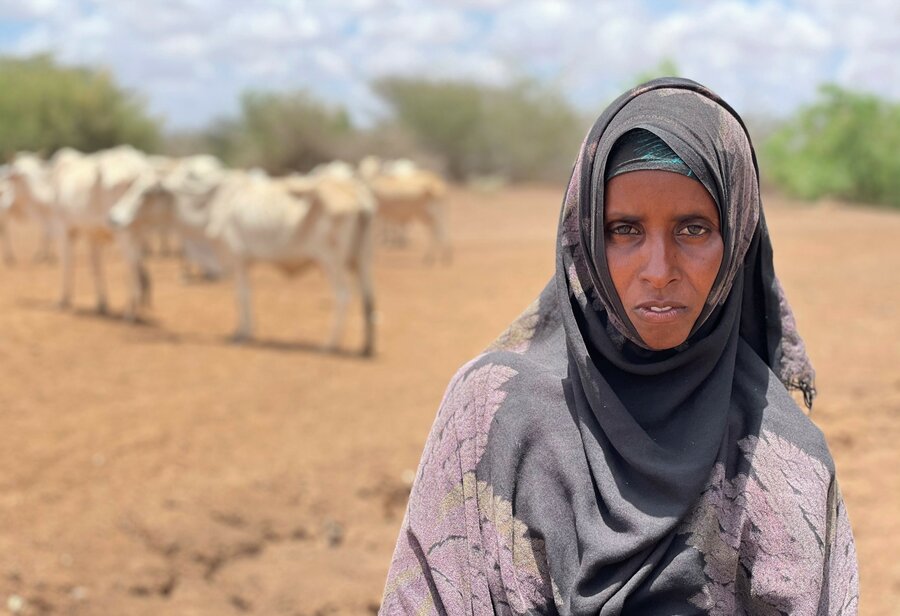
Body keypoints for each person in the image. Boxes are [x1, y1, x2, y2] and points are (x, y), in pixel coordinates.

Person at [379, 78, 858, 615]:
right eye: (624, 229)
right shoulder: (489, 414)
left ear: (738, 235)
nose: (658, 271)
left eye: (694, 229)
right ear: (584, 235)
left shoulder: (782, 456)